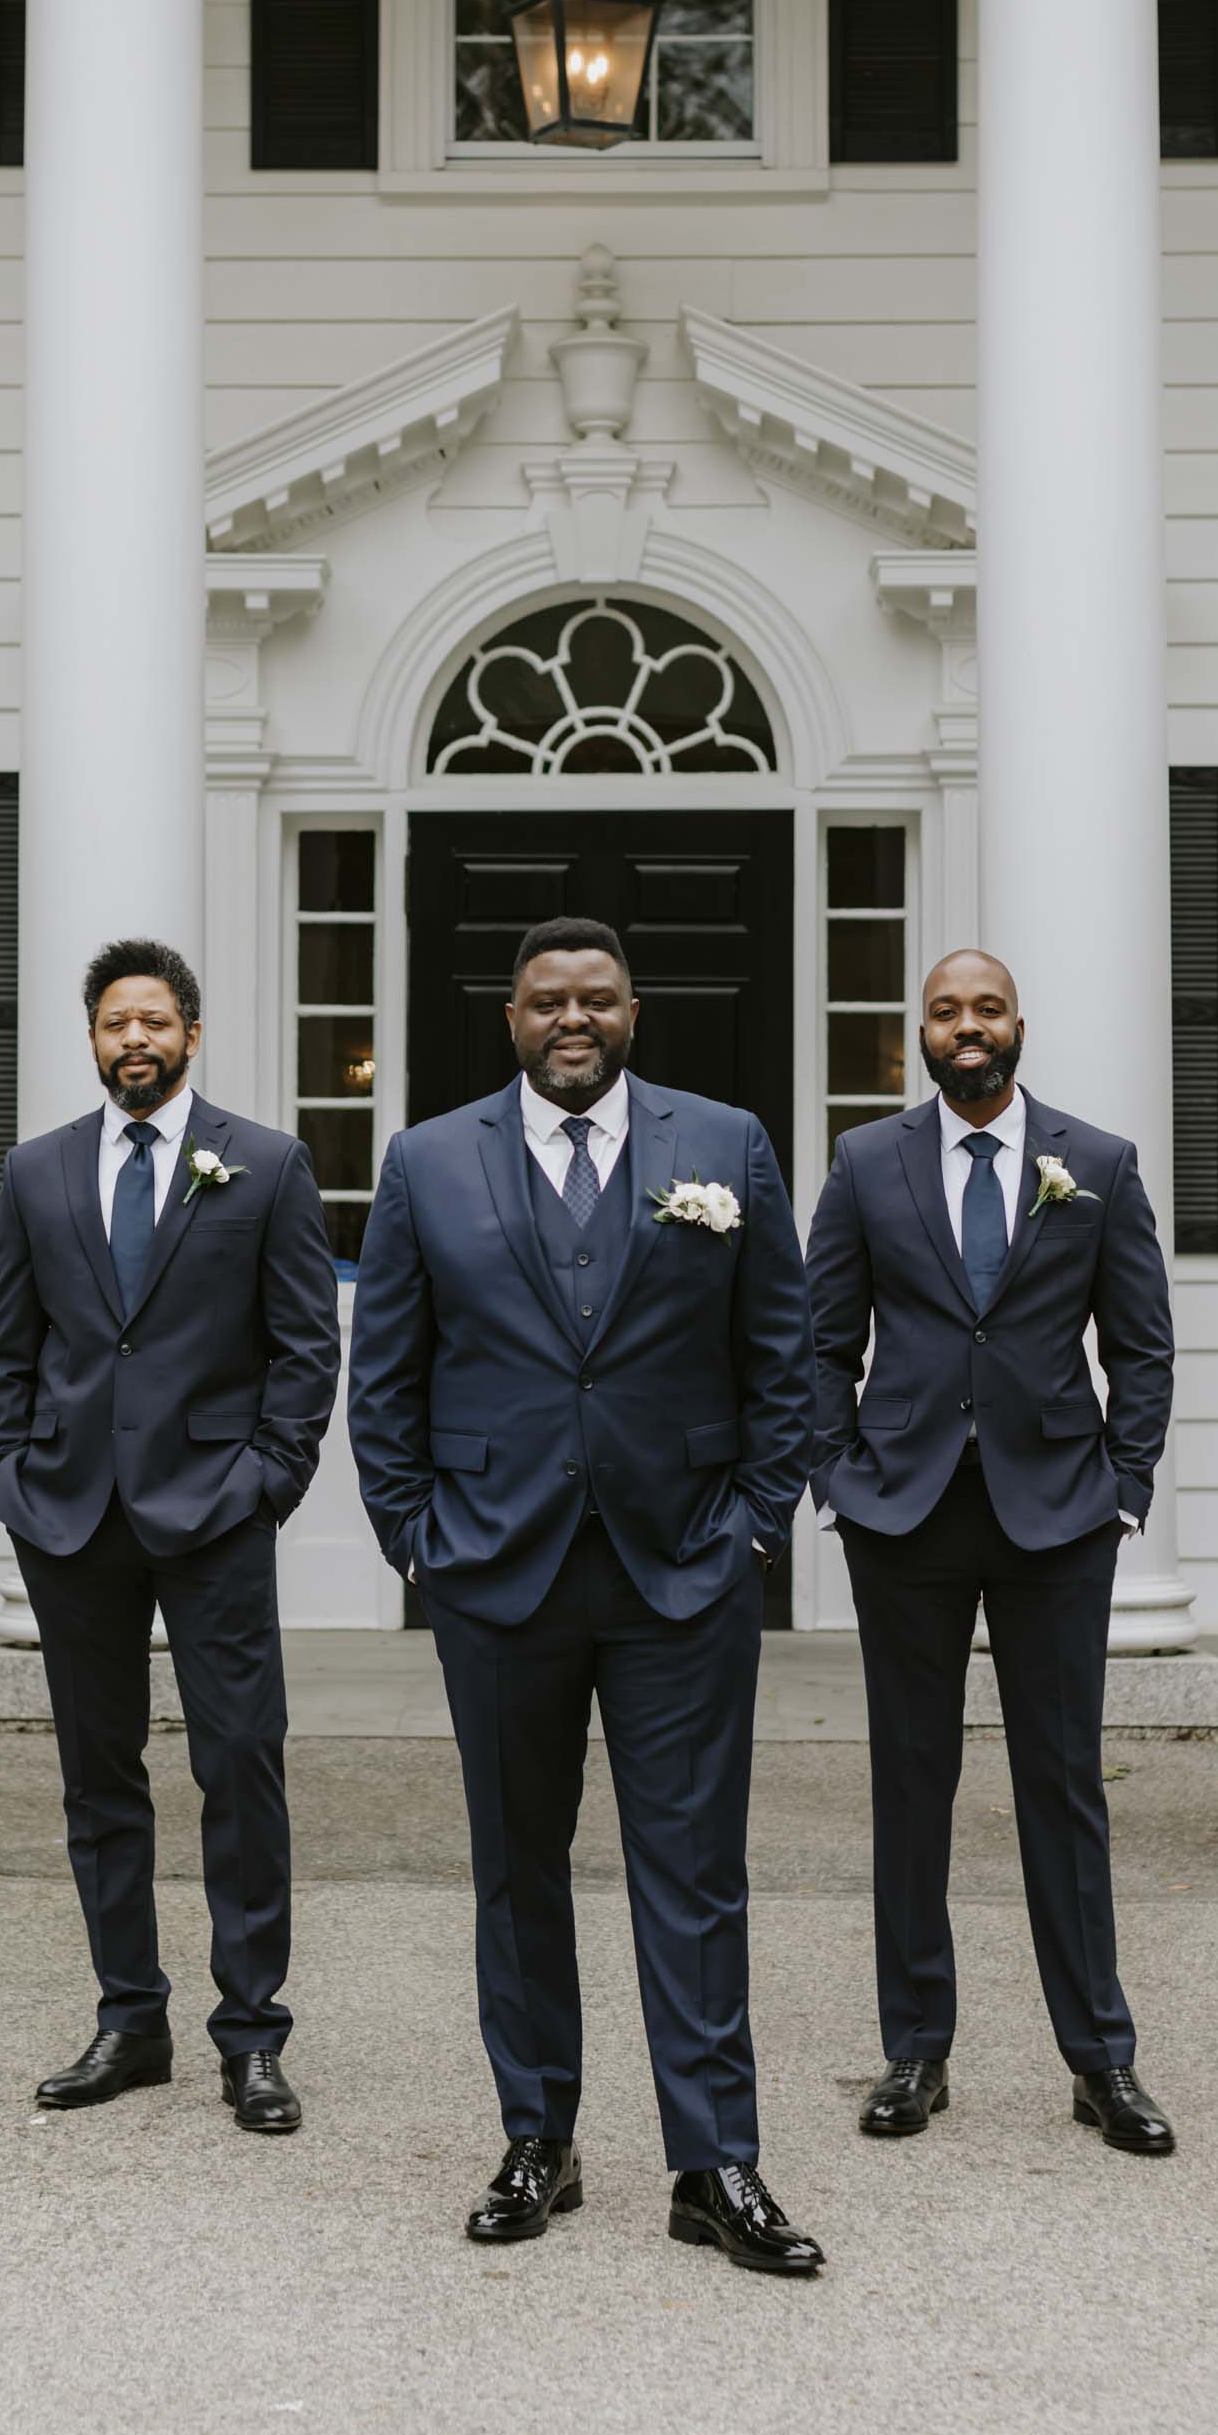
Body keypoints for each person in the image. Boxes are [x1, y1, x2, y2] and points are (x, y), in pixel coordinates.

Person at [348, 916, 823, 2274]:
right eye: (548, 1000)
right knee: (516, 1869)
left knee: (695, 1874)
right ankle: (537, 2138)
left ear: (634, 1013)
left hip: (683, 1570)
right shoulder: (428, 1159)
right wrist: (415, 1539)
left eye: (598, 999)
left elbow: (779, 1355)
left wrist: (751, 1532)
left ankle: (714, 2161)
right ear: (509, 1018)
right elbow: (385, 1372)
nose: (574, 1019)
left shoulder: (723, 1145)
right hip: (497, 1572)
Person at [805, 948, 1178, 2155]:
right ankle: (915, 2049)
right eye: (943, 1011)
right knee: (910, 1786)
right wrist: (836, 1472)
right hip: (902, 1513)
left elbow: (1141, 1343)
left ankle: (1099, 2060)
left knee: (1060, 1786)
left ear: (1018, 1023)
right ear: (917, 1029)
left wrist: (1121, 1489)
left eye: (985, 1009)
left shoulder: (1099, 1164)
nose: (965, 1028)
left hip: (1057, 1515)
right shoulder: (865, 1163)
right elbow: (816, 1340)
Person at [0, 938, 340, 2134]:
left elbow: (304, 1346)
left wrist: (267, 1479)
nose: (133, 1039)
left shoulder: (267, 1164)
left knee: (238, 1766)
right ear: (91, 1039)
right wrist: (11, 1478)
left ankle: (252, 2035)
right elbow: (0, 1349)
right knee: (98, 1778)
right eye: (113, 1022)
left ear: (190, 1032)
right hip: (72, 1517)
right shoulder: (35, 1172)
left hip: (215, 1513)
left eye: (153, 1020)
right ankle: (130, 2016)